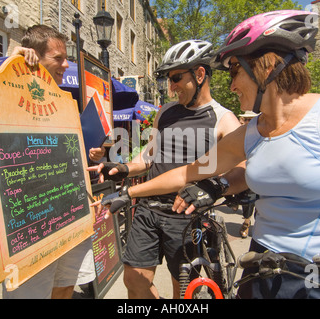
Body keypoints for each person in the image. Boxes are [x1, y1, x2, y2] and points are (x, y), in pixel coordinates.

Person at [98, 10, 320, 298]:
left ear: (268, 66)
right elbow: (188, 172)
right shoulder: (251, 132)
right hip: (261, 268)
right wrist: (218, 184)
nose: (232, 84)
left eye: (235, 69)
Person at [0, 24, 99, 299]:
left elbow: (64, 155)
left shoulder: (63, 101)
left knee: (65, 287)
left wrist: (86, 156)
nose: (66, 65)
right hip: (31, 226)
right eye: (58, 58)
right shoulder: (8, 92)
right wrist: (7, 65)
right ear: (35, 56)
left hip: (70, 213)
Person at [93, 40, 241, 299]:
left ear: (199, 74)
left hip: (184, 217)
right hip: (148, 210)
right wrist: (124, 167)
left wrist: (217, 186)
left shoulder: (223, 118)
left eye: (175, 78)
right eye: (168, 79)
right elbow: (148, 156)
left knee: (181, 290)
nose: (171, 87)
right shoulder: (166, 112)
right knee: (134, 279)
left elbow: (241, 165)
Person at [237, 111, 258, 238]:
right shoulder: (239, 135)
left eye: (253, 119)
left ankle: (259, 224)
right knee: (248, 200)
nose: (250, 122)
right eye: (248, 119)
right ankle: (246, 221)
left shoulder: (266, 133)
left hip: (263, 174)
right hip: (245, 172)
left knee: (262, 203)